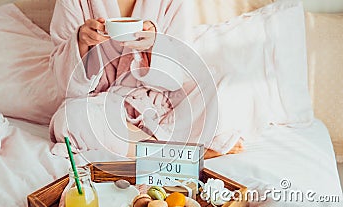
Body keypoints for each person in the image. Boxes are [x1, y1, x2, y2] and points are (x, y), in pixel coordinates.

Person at [49, 0, 243, 160]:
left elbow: (179, 73)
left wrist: (153, 47)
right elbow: (65, 86)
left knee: (221, 87)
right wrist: (80, 42)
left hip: (161, 104)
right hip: (102, 107)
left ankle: (139, 148)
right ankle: (181, 154)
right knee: (71, 117)